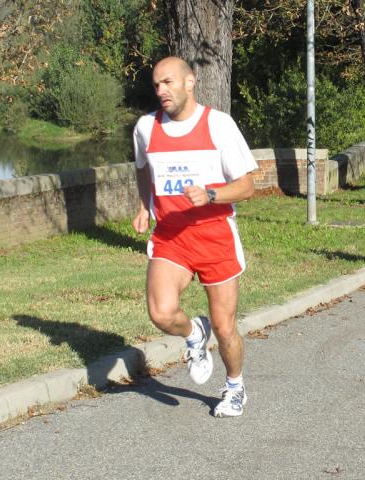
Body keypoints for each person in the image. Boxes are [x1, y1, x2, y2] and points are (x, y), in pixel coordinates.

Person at [132, 56, 258, 417]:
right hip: (171, 235)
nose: (161, 91)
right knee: (161, 312)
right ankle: (192, 333)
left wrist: (212, 194)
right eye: (156, 85)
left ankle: (235, 387)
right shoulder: (145, 127)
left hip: (214, 235)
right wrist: (144, 206)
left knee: (225, 327)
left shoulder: (218, 125)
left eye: (168, 82)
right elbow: (142, 168)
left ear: (190, 82)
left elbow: (248, 185)